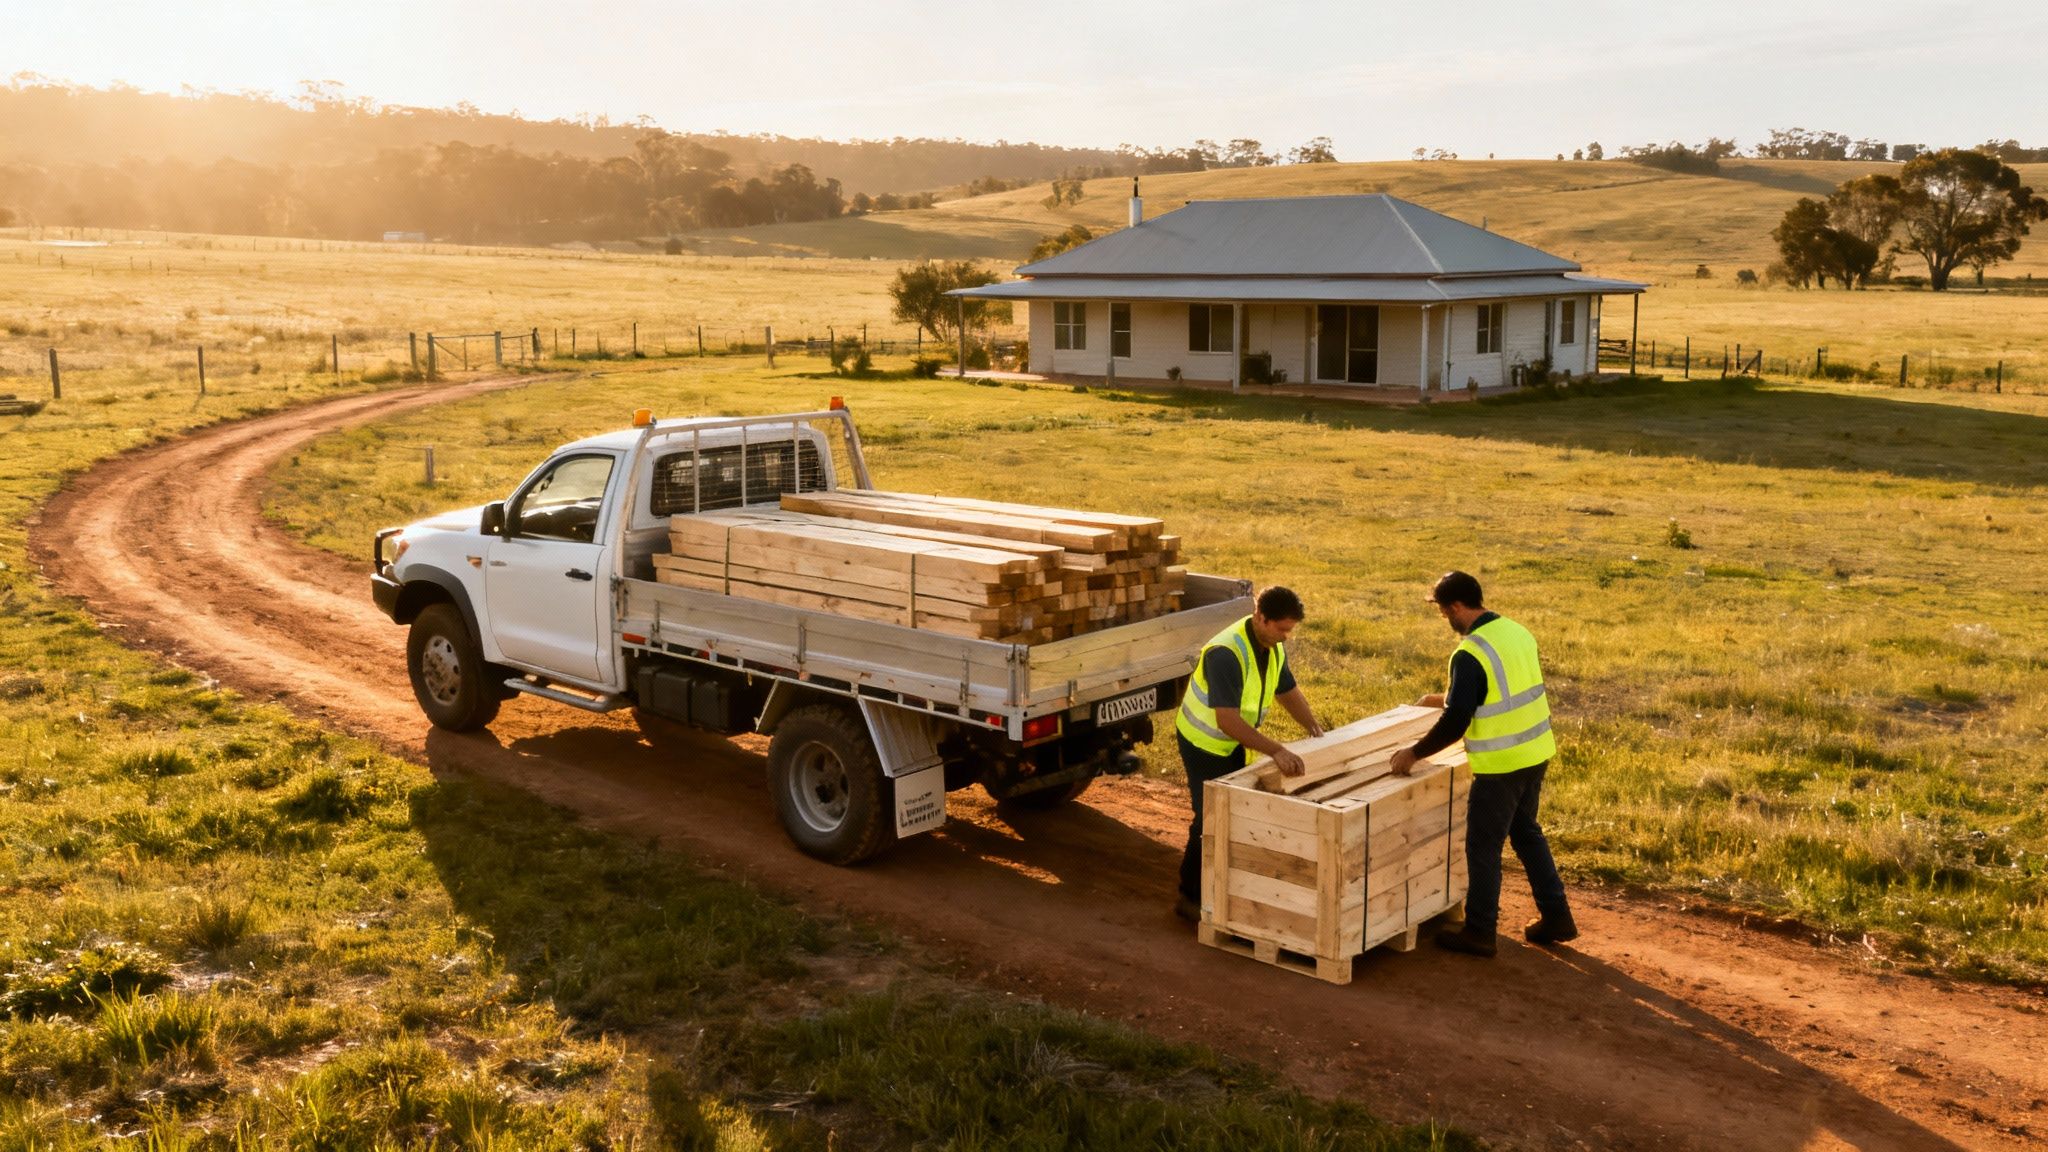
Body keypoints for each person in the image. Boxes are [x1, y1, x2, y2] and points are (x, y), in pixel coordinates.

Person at [1390, 571, 1576, 957]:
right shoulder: (1516, 631)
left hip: (1501, 764)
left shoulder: (1470, 652)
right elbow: (1501, 687)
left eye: (1445, 613)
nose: (1447, 622)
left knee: (1483, 846)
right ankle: (1557, 917)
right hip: (1536, 751)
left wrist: (1413, 754)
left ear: (1457, 607)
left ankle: (1479, 930)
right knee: (1526, 833)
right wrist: (1442, 697)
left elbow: (1457, 722)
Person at [1172, 585, 1325, 921]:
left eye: (1290, 630)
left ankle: (1224, 884)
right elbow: (1227, 720)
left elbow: (1288, 690)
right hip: (1205, 742)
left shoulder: (1272, 645)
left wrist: (1314, 728)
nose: (1286, 636)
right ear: (1260, 617)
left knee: (1232, 811)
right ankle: (1190, 896)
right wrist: (1276, 750)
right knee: (1209, 817)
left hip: (1234, 742)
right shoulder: (1226, 652)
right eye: (1282, 629)